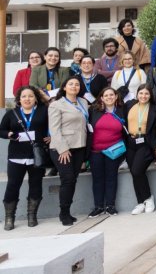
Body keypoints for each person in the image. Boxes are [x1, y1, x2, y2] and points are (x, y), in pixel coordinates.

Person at [1, 86, 48, 230]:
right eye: (24, 96)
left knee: (35, 186)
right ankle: (10, 217)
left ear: (35, 99)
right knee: (12, 186)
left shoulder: (43, 111)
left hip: (36, 156)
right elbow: (1, 129)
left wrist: (51, 136)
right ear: (19, 99)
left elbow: (52, 126)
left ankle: (32, 215)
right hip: (16, 156)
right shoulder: (11, 113)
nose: (27, 99)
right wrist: (8, 134)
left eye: (30, 96)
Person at [48, 76, 90, 226]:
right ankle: (63, 212)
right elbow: (54, 129)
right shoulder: (56, 105)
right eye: (70, 84)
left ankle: (67, 211)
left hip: (79, 146)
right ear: (64, 87)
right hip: (62, 148)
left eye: (77, 84)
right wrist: (63, 149)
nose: (74, 86)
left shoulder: (83, 102)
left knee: (73, 179)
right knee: (68, 179)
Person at [87, 87, 128, 218]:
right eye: (106, 95)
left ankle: (110, 205)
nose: (109, 97)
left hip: (114, 151)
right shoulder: (93, 111)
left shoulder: (122, 111)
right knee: (97, 179)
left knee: (111, 178)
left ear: (116, 97)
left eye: (112, 95)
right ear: (101, 98)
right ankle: (98, 206)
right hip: (96, 151)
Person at [125, 85, 156, 215]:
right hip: (131, 142)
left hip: (146, 142)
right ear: (137, 94)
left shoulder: (155, 109)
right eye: (141, 93)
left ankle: (148, 198)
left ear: (150, 95)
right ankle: (140, 202)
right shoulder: (129, 105)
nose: (143, 96)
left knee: (137, 170)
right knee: (134, 173)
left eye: (146, 94)